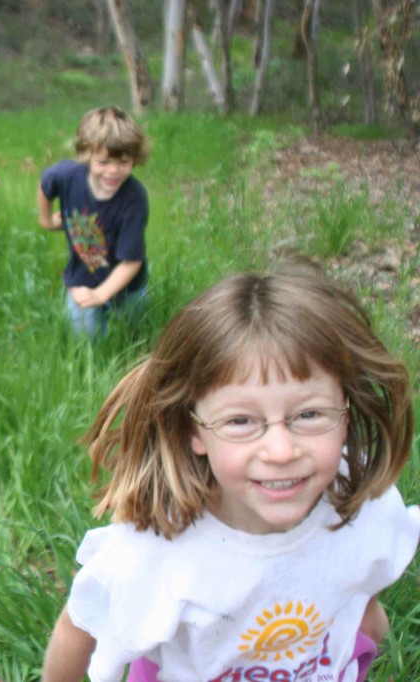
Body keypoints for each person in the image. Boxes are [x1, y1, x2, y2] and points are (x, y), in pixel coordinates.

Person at [41, 268, 420, 682]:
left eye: (309, 415)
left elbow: (364, 584)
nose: (280, 452)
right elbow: (78, 629)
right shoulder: (153, 555)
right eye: (241, 421)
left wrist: (365, 625)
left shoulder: (367, 506)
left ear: (346, 414)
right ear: (192, 430)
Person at [37, 106, 150, 340]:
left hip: (128, 286)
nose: (113, 171)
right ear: (86, 155)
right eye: (103, 162)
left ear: (135, 158)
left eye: (124, 162)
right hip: (83, 276)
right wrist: (46, 221)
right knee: (86, 340)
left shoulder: (134, 199)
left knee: (132, 335)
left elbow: (132, 262)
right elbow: (46, 183)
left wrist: (101, 295)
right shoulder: (66, 175)